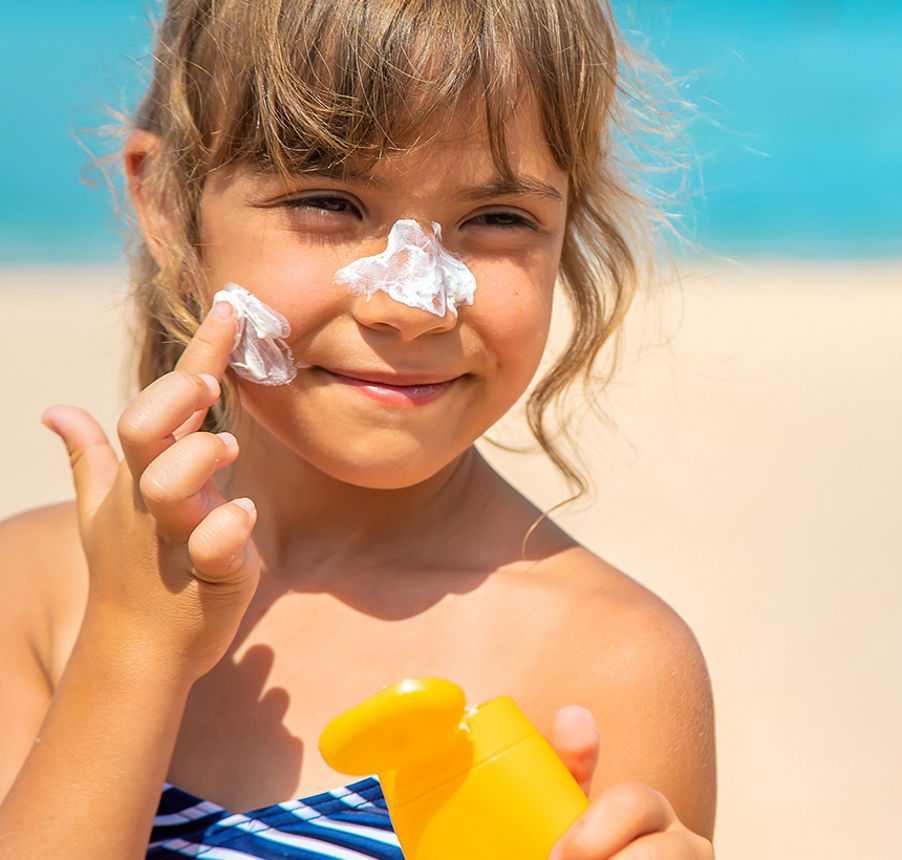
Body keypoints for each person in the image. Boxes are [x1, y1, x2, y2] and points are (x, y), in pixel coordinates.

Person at [0, 1, 716, 857]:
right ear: (164, 203)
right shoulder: (35, 594)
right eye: (328, 201)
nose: (410, 304)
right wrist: (131, 648)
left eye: (497, 219)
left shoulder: (614, 664)